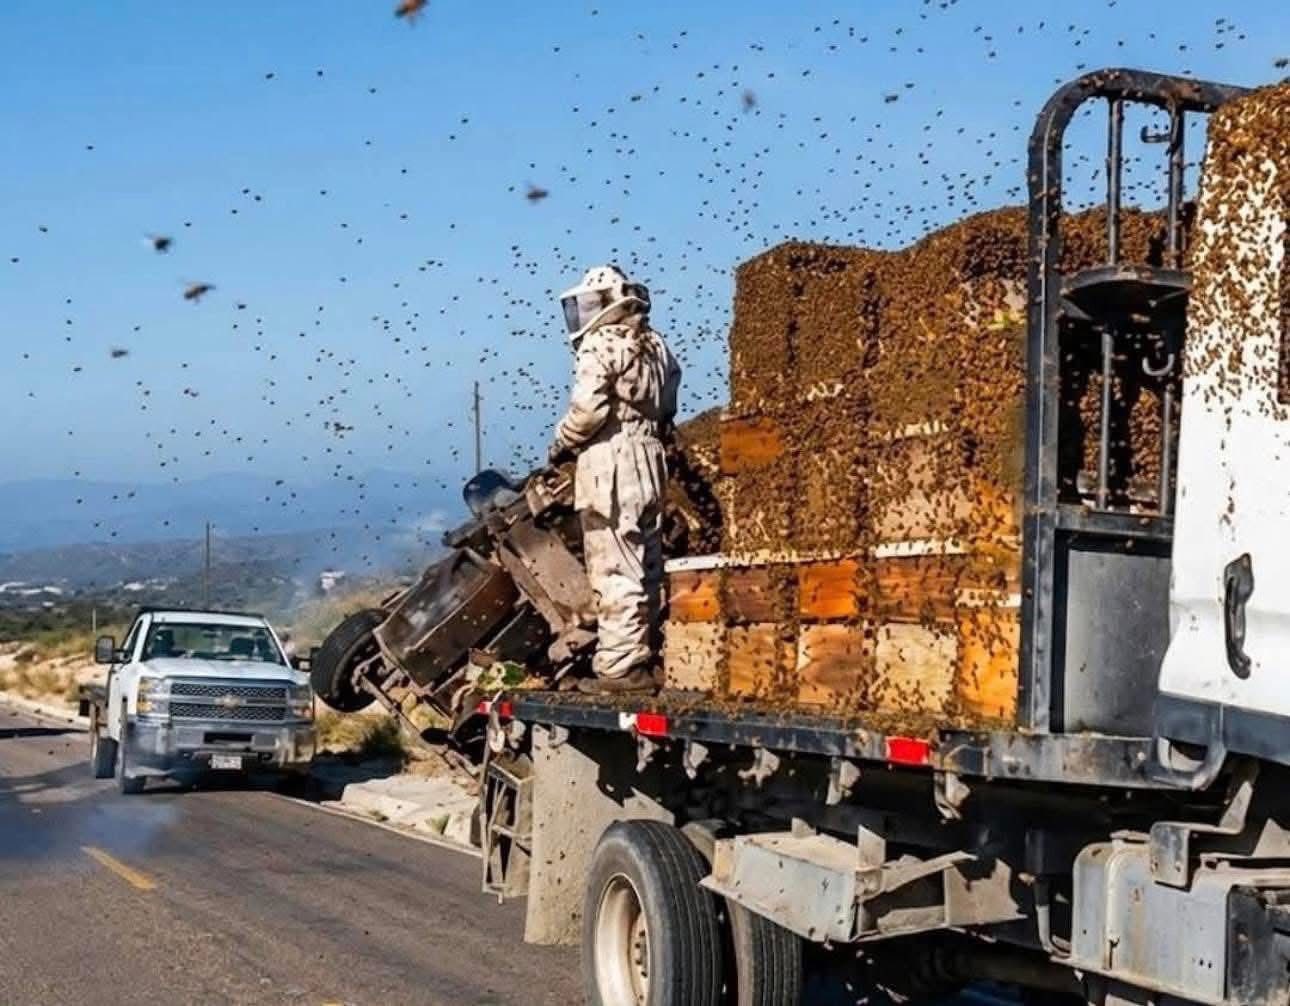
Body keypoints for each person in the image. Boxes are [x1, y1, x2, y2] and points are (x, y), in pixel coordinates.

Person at [549, 265, 682, 693]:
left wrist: (560, 442)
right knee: (648, 565)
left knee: (615, 566)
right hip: (650, 458)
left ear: (610, 301)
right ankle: (646, 656)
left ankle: (620, 668)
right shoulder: (658, 347)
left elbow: (588, 413)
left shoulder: (600, 343)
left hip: (610, 460)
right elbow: (668, 406)